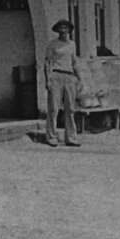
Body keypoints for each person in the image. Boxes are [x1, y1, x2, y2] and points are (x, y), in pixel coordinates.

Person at [44, 18, 82, 147]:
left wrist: (80, 79)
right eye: (61, 28)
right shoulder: (52, 44)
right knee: (53, 108)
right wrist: (48, 79)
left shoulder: (72, 44)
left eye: (66, 28)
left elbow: (75, 62)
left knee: (70, 109)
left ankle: (71, 137)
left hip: (69, 77)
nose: (63, 30)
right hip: (56, 75)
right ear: (58, 30)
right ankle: (51, 136)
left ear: (69, 30)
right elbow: (48, 62)